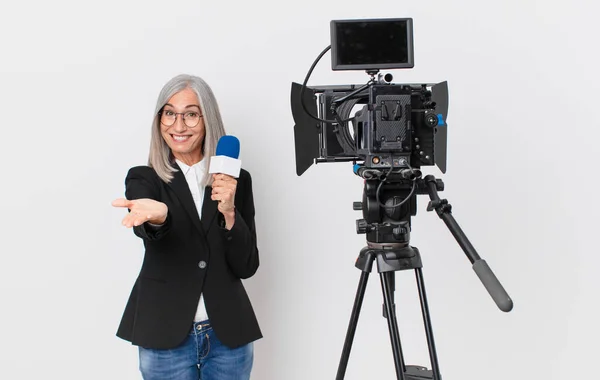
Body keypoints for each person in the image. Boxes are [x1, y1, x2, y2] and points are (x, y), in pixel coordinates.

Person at [111, 74, 262, 380]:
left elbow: (246, 266)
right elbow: (150, 230)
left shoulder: (236, 180)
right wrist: (160, 216)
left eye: (191, 114)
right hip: (164, 333)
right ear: (159, 119)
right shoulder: (144, 178)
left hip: (228, 335)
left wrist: (230, 212)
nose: (178, 126)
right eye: (169, 113)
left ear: (208, 119)